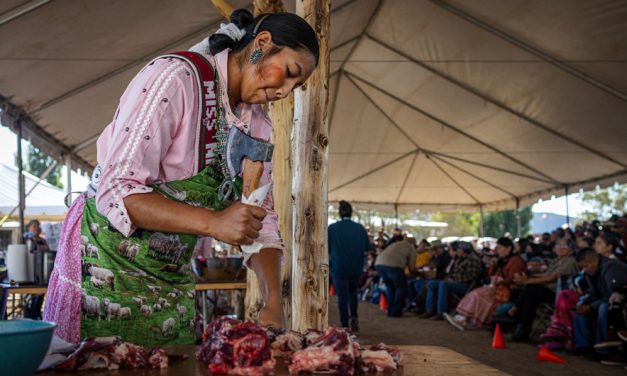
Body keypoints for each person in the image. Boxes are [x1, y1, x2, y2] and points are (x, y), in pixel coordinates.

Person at [43, 9, 319, 346]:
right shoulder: (175, 78)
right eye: (288, 73)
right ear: (261, 44)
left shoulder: (257, 124)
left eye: (297, 85)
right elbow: (117, 189)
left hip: (168, 282)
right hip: (102, 265)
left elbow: (261, 217)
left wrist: (273, 301)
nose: (286, 91)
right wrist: (214, 222)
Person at [507, 237, 579, 342]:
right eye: (558, 245)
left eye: (563, 246)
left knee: (531, 289)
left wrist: (527, 281)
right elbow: (545, 275)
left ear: (571, 250)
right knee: (525, 294)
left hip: (561, 296)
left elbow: (551, 278)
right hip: (547, 290)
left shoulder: (571, 261)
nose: (559, 248)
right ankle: (521, 330)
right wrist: (527, 279)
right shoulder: (557, 261)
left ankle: (516, 313)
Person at [444, 237, 526, 330]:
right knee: (475, 295)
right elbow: (490, 275)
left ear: (508, 248)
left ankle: (463, 319)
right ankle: (462, 319)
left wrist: (497, 283)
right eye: (497, 247)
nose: (497, 250)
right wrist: (493, 266)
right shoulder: (502, 260)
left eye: (500, 247)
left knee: (477, 296)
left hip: (506, 292)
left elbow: (512, 279)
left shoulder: (515, 260)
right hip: (495, 288)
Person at [573, 249, 627, 358]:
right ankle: (584, 346)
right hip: (604, 301)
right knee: (579, 309)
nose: (584, 270)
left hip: (620, 303)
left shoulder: (611, 267)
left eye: (585, 266)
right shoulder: (591, 272)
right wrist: (585, 303)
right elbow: (593, 295)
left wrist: (591, 306)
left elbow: (615, 295)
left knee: (603, 307)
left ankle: (602, 349)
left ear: (594, 261)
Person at [328, 200, 372, 331]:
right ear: (351, 213)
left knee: (342, 296)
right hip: (356, 267)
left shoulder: (332, 228)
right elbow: (367, 248)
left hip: (339, 267)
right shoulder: (359, 228)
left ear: (339, 213)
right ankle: (354, 317)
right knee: (353, 293)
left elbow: (327, 248)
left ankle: (345, 324)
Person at [419, 241, 483, 321]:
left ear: (463, 250)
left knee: (444, 284)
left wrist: (454, 279)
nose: (457, 251)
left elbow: (472, 277)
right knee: (432, 284)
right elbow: (453, 273)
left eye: (458, 250)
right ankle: (430, 310)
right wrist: (451, 278)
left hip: (465, 285)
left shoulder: (472, 259)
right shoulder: (460, 258)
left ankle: (441, 312)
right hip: (456, 282)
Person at [375, 236, 417, 317]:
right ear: (414, 243)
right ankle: (396, 312)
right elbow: (412, 268)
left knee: (390, 287)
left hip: (379, 264)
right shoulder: (411, 248)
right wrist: (418, 274)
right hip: (393, 266)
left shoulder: (396, 244)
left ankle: (390, 310)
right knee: (401, 288)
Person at [23, 219, 50, 319]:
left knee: (40, 296)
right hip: (31, 271)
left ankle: (37, 314)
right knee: (32, 297)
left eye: (37, 226)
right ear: (29, 228)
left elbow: (48, 251)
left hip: (43, 272)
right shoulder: (28, 240)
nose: (36, 228)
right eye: (33, 226)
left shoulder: (43, 240)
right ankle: (32, 316)